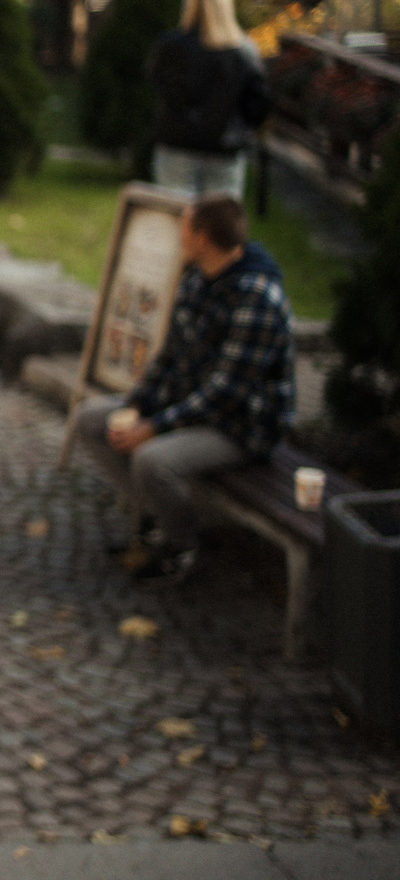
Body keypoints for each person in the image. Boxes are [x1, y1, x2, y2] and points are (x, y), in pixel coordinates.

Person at [73, 195, 295, 586]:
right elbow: (171, 354)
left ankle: (180, 547)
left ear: (202, 237)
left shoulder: (256, 297)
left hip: (243, 425)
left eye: (184, 228)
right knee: (91, 421)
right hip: (192, 403)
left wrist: (154, 427)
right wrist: (137, 404)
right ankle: (156, 517)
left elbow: (226, 392)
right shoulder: (198, 277)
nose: (180, 236)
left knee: (153, 460)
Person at [148, 0, 272, 198]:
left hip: (178, 144)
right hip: (225, 148)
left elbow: (158, 86)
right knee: (220, 218)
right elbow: (259, 103)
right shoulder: (243, 52)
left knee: (177, 214)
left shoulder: (170, 46)